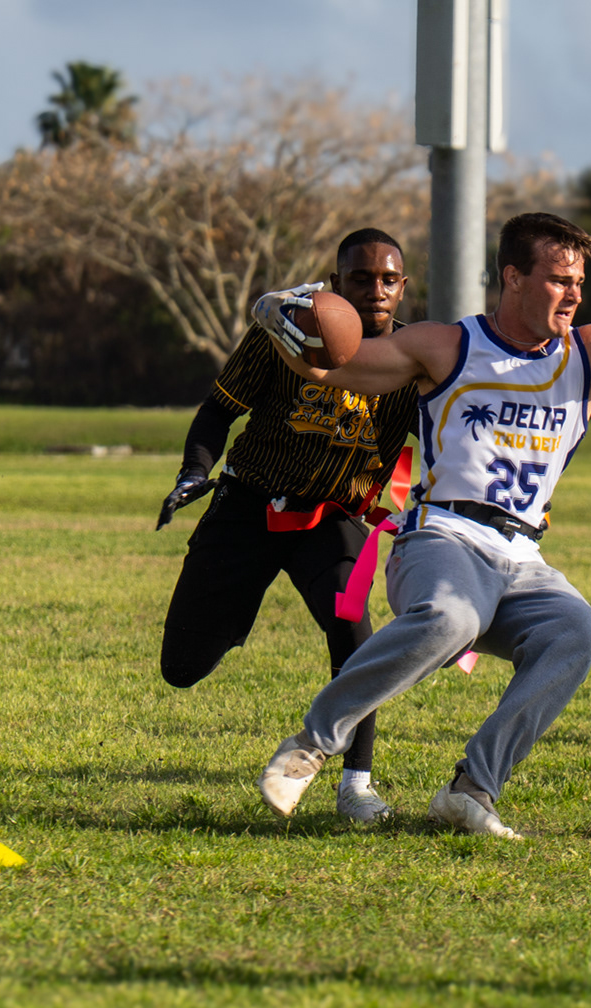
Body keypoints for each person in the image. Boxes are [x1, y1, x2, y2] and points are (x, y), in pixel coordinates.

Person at [251, 212, 591, 838]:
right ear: (513, 278)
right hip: (442, 535)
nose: (575, 293)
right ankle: (312, 743)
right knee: (452, 618)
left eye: (579, 279)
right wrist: (276, 314)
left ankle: (471, 790)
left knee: (575, 630)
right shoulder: (448, 345)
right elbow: (333, 366)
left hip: (523, 554)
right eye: (558, 279)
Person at [155, 228, 416, 824]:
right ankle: (233, 617)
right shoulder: (288, 332)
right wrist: (196, 470)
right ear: (334, 284)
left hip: (333, 514)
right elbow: (219, 408)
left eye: (387, 279)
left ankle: (357, 783)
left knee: (356, 634)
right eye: (360, 278)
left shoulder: (415, 356)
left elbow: (453, 428)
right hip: (248, 502)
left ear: (403, 288)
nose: (374, 289)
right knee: (182, 666)